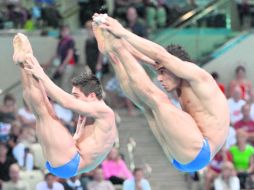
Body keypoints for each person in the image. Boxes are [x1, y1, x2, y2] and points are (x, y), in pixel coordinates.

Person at [92, 14, 229, 172]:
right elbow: (149, 59)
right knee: (147, 106)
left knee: (158, 100)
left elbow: (159, 55)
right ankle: (113, 51)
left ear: (178, 65)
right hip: (181, 154)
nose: (160, 78)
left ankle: (116, 48)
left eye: (164, 72)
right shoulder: (178, 77)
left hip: (200, 150)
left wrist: (122, 32)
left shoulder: (199, 77)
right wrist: (113, 46)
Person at [12, 33, 117, 178]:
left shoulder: (104, 111)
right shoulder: (91, 111)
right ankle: (22, 63)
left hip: (72, 161)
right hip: (67, 158)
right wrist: (39, 75)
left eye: (77, 96)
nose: (75, 99)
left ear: (92, 95)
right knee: (42, 110)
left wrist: (41, 74)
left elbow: (66, 101)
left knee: (44, 112)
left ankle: (27, 59)